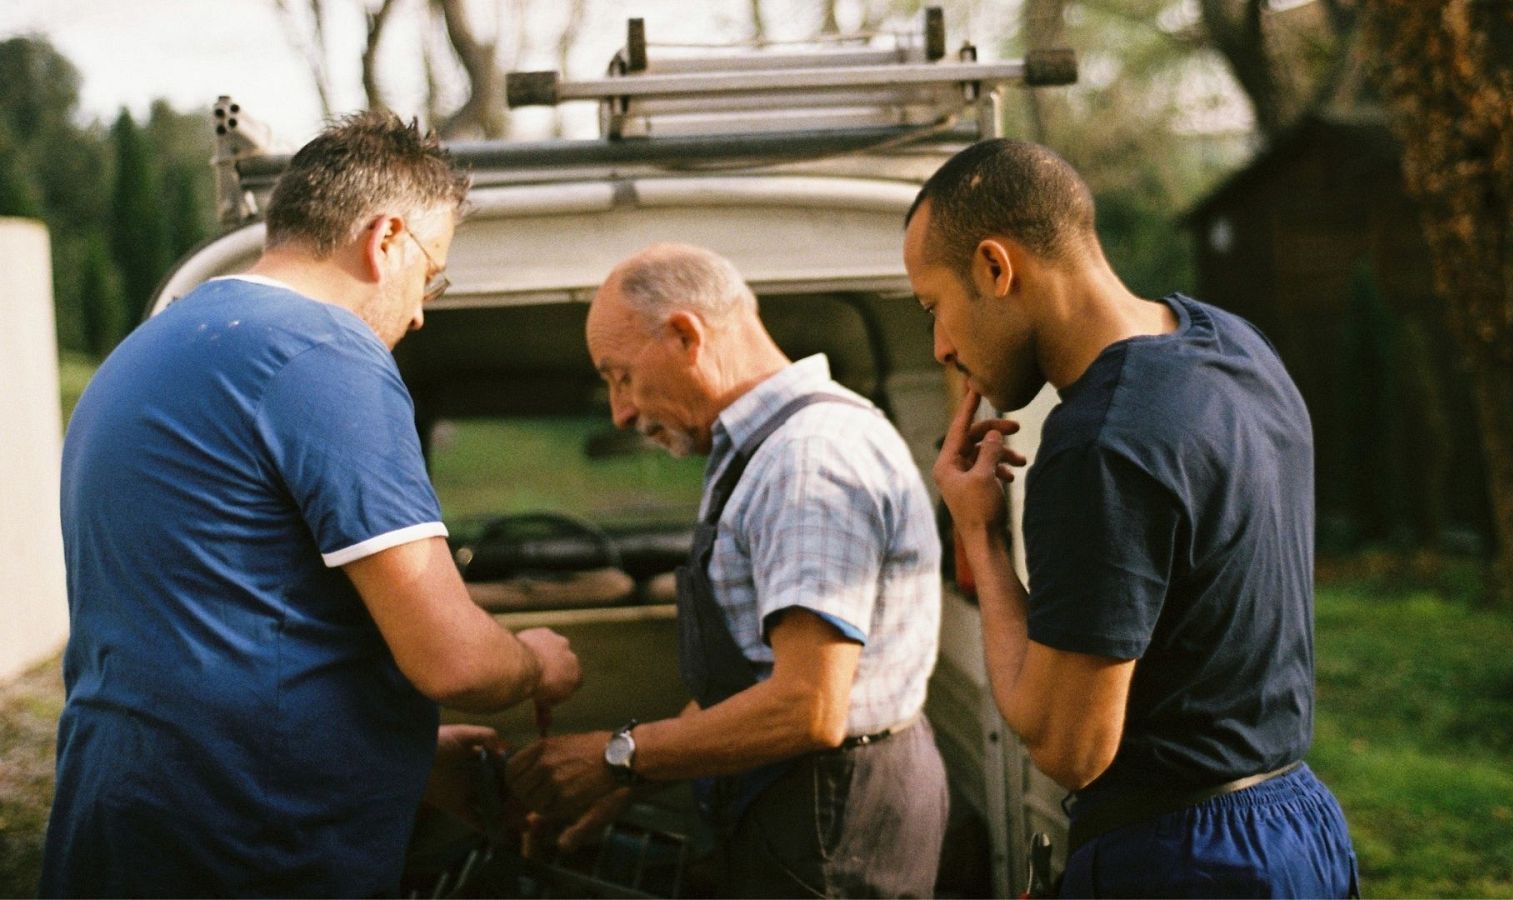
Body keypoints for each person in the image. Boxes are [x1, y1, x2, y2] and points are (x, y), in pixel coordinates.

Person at [40, 111, 581, 898]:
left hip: (123, 816)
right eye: (431, 276)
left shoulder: (152, 346)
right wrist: (535, 661)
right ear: (386, 239)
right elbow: (453, 659)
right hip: (252, 849)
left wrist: (404, 756)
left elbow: (217, 623)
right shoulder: (324, 351)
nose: (422, 310)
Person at [904, 138, 1358, 897]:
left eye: (933, 308)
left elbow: (1067, 747)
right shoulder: (1234, 346)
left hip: (1190, 860)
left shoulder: (1100, 445)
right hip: (1301, 823)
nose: (943, 346)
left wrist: (978, 533)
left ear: (994, 266)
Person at [504, 243, 948, 898]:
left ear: (686, 335)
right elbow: (748, 673)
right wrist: (624, 784)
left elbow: (808, 706)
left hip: (830, 821)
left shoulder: (809, 459)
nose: (621, 411)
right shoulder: (756, 452)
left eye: (620, 375)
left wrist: (616, 756)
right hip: (797, 803)